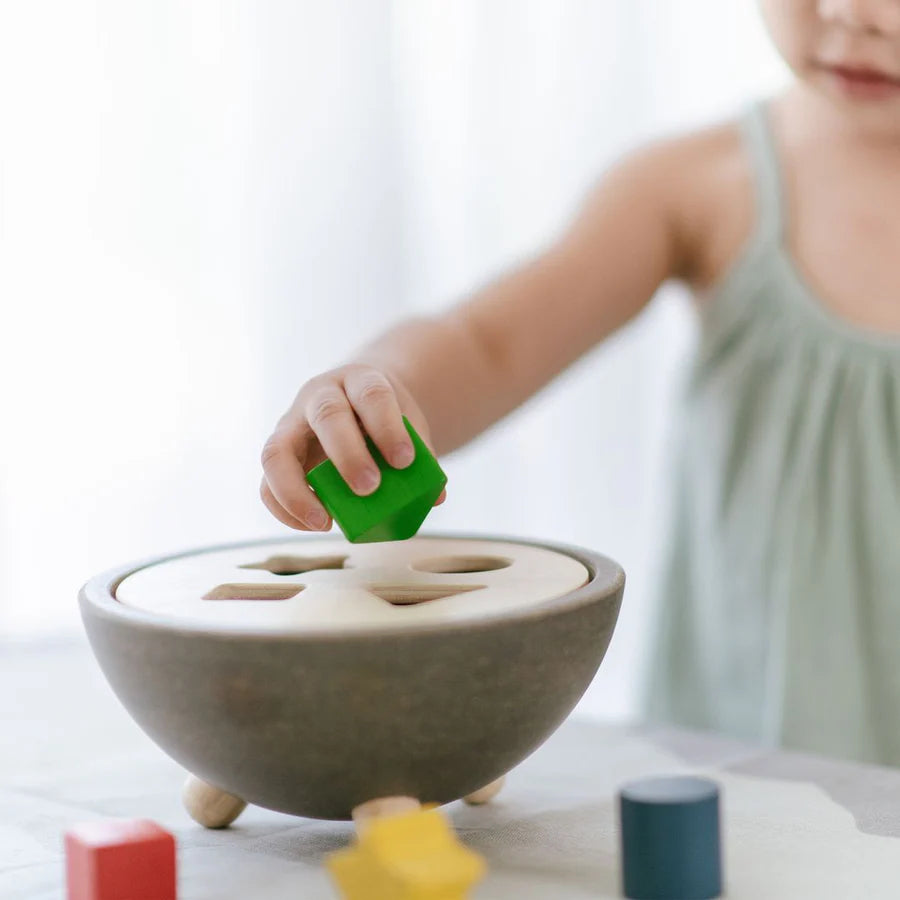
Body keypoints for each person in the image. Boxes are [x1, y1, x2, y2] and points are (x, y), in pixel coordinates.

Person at [259, 0, 900, 766]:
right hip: (760, 763)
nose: (856, 14)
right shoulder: (700, 185)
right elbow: (487, 345)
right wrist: (383, 386)